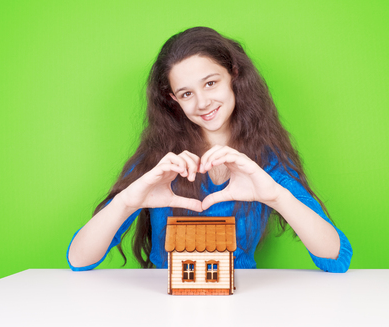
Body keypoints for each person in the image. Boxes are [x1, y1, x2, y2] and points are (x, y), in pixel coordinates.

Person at [67, 27, 352, 273]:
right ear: (172, 99)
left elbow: (336, 259)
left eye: (211, 83)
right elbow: (79, 260)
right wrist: (128, 201)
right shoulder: (158, 162)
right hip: (164, 304)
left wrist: (276, 196)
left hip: (239, 302)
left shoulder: (266, 162)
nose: (202, 103)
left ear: (234, 76)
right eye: (186, 93)